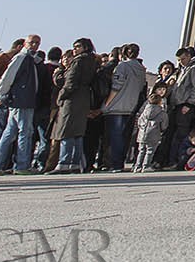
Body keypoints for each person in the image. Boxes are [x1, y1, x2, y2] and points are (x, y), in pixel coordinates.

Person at [0, 25, 40, 177]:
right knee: (25, 132)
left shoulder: (30, 59)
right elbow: (7, 77)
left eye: (37, 43)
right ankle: (22, 165)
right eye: (32, 42)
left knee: (9, 134)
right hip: (22, 101)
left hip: (21, 100)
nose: (34, 45)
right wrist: (1, 94)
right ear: (24, 44)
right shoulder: (21, 58)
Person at [51, 38, 98, 173]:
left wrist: (62, 96)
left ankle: (64, 162)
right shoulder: (92, 61)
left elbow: (70, 81)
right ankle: (76, 163)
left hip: (73, 98)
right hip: (84, 98)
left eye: (78, 46)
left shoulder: (78, 61)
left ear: (85, 47)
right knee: (78, 132)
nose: (75, 49)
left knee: (67, 131)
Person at [102, 44, 145, 173]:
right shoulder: (141, 69)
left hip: (117, 106)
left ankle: (115, 164)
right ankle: (120, 162)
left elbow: (117, 86)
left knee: (115, 137)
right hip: (131, 106)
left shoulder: (122, 66)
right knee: (125, 137)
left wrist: (107, 103)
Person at [167, 47, 195, 168]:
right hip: (178, 104)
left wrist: (189, 104)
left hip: (186, 106)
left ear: (189, 56)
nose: (180, 62)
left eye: (183, 59)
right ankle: (173, 160)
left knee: (181, 135)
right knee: (176, 134)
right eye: (178, 60)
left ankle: (179, 161)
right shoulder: (183, 69)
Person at [134, 83, 169, 172]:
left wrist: (141, 128)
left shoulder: (145, 111)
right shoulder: (162, 112)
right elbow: (164, 125)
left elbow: (139, 120)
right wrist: (161, 130)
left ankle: (137, 166)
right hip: (154, 134)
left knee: (141, 151)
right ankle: (146, 166)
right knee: (149, 151)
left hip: (142, 133)